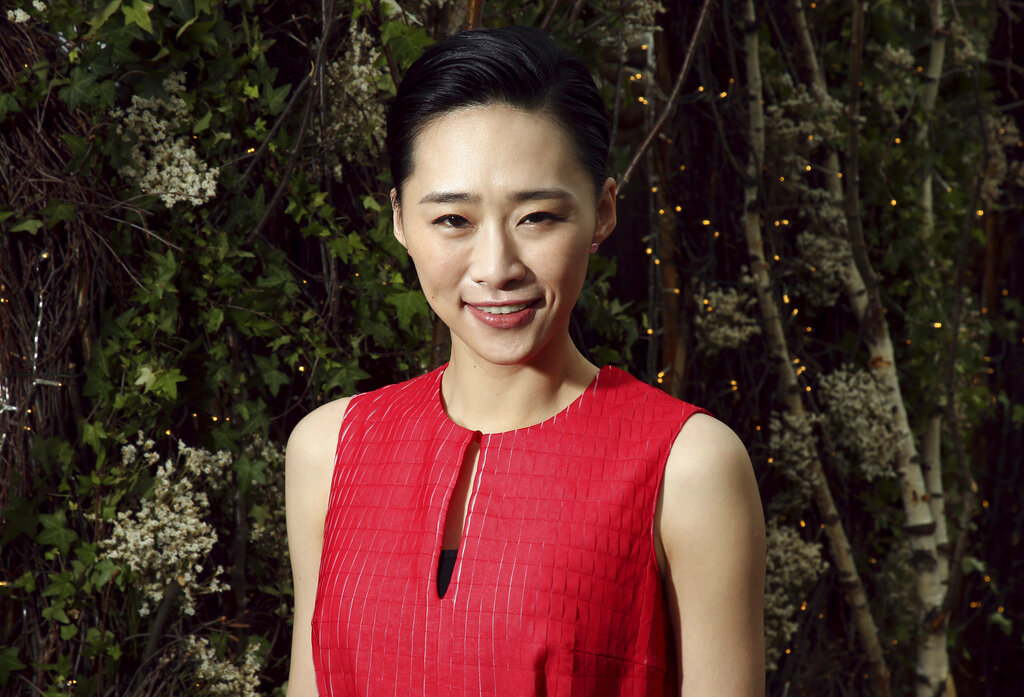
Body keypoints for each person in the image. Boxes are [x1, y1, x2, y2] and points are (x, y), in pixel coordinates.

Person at [285, 26, 765, 697]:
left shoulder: (689, 465)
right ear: (400, 219)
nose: (496, 268)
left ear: (601, 212)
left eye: (537, 216)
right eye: (452, 220)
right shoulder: (327, 449)